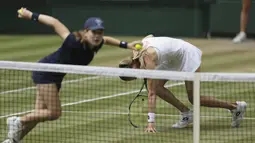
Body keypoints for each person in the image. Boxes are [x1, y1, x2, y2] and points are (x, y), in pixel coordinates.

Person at [2, 7, 138, 143]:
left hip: (56, 76)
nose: (97, 36)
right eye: (94, 32)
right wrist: (31, 15)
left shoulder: (98, 42)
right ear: (85, 32)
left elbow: (106, 40)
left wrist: (126, 45)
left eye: (100, 32)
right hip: (46, 72)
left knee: (38, 114)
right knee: (54, 113)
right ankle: (18, 120)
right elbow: (55, 23)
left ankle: (11, 141)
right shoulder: (73, 41)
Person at [119, 35, 247, 133]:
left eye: (134, 76)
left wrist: (151, 122)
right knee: (158, 87)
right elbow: (150, 36)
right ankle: (186, 114)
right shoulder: (137, 52)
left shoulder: (149, 58)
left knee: (194, 98)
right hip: (171, 58)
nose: (136, 77)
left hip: (186, 54)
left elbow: (151, 93)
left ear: (133, 66)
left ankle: (235, 107)